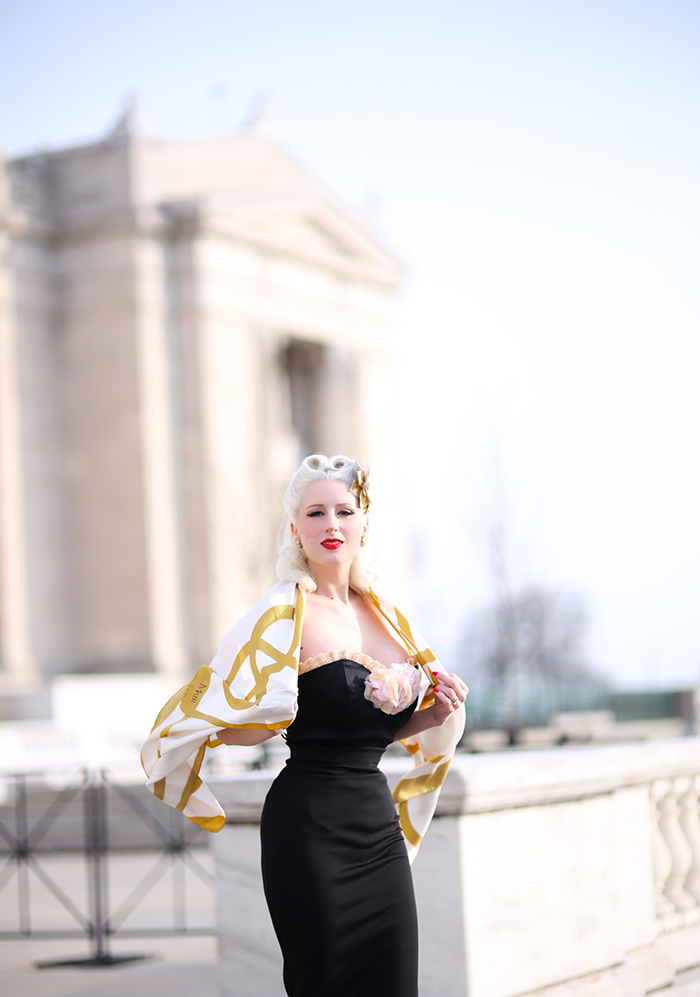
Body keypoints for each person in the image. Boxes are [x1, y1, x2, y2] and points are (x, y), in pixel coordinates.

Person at [141, 454, 467, 997]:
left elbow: (366, 734)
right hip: (308, 831)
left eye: (344, 511)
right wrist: (252, 718)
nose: (330, 524)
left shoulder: (391, 619)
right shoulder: (279, 617)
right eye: (315, 513)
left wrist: (435, 714)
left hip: (377, 829)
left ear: (364, 524)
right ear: (295, 529)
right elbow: (238, 722)